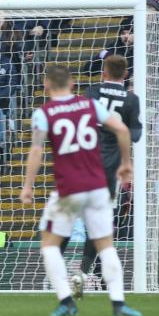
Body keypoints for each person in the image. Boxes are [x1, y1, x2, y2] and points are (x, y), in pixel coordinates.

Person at [21, 64, 140, 316]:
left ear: (46, 86)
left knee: (50, 245)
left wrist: (28, 186)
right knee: (106, 245)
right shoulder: (90, 106)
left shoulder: (44, 113)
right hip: (98, 186)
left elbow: (36, 150)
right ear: (73, 85)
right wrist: (126, 164)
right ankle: (118, 304)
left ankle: (66, 300)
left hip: (68, 189)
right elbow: (122, 129)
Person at [57, 54, 142, 298]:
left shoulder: (92, 92)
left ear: (104, 72)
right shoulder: (131, 98)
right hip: (108, 169)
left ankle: (58, 263)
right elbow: (134, 135)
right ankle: (82, 272)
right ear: (125, 75)